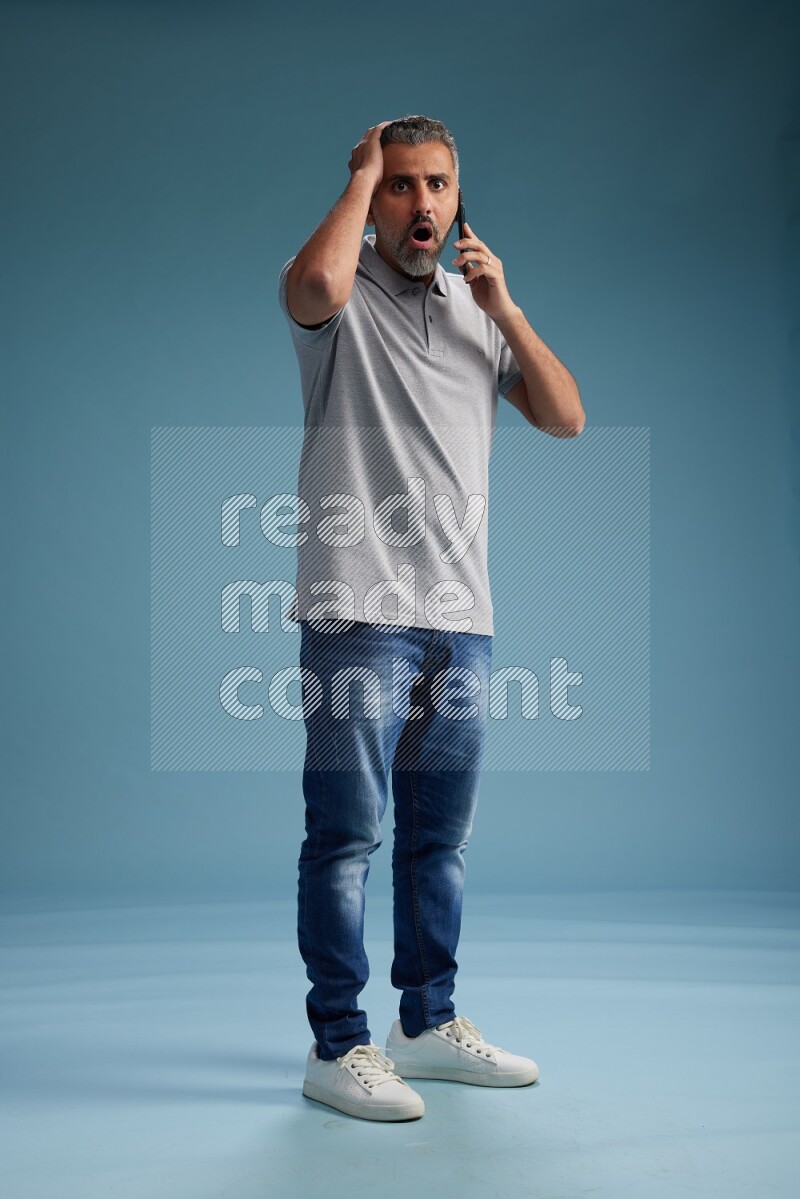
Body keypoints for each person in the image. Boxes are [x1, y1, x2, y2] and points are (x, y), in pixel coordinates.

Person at [277, 115, 585, 1122]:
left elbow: (563, 414)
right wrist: (355, 180)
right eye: (400, 185)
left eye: (435, 184)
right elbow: (312, 287)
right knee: (345, 836)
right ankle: (338, 1044)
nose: (421, 203)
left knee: (437, 841)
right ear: (376, 198)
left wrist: (504, 303)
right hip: (357, 603)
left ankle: (423, 1021)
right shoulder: (342, 295)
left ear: (459, 196)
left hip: (461, 613)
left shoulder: (472, 307)